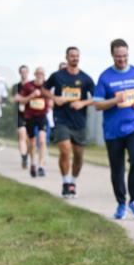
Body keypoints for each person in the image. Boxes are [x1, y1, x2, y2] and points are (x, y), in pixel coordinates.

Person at [93, 39, 134, 219]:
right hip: (113, 130)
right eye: (118, 57)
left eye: (125, 56)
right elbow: (97, 105)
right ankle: (121, 203)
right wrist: (114, 101)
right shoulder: (105, 77)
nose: (122, 60)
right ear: (112, 55)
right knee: (117, 169)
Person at [44, 47, 95, 198]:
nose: (75, 58)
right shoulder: (57, 76)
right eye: (72, 56)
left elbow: (97, 97)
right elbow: (44, 89)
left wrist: (83, 103)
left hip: (79, 121)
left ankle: (73, 182)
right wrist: (54, 98)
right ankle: (65, 182)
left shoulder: (85, 78)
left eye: (77, 56)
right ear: (66, 57)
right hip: (61, 119)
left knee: (79, 156)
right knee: (65, 149)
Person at [17, 67, 50, 177]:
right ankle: (33, 163)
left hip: (42, 116)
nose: (40, 75)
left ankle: (41, 166)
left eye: (42, 74)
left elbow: (52, 97)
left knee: (42, 140)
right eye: (38, 73)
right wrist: (31, 96)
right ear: (35, 74)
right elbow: (21, 100)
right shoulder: (28, 86)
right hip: (30, 116)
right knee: (31, 142)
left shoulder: (47, 85)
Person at [12, 65, 31, 168]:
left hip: (31, 114)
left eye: (25, 72)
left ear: (28, 72)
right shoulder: (16, 87)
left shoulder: (32, 86)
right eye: (22, 72)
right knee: (22, 136)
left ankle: (26, 154)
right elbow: (14, 99)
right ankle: (23, 157)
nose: (24, 74)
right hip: (20, 114)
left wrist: (24, 98)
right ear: (20, 73)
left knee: (28, 138)